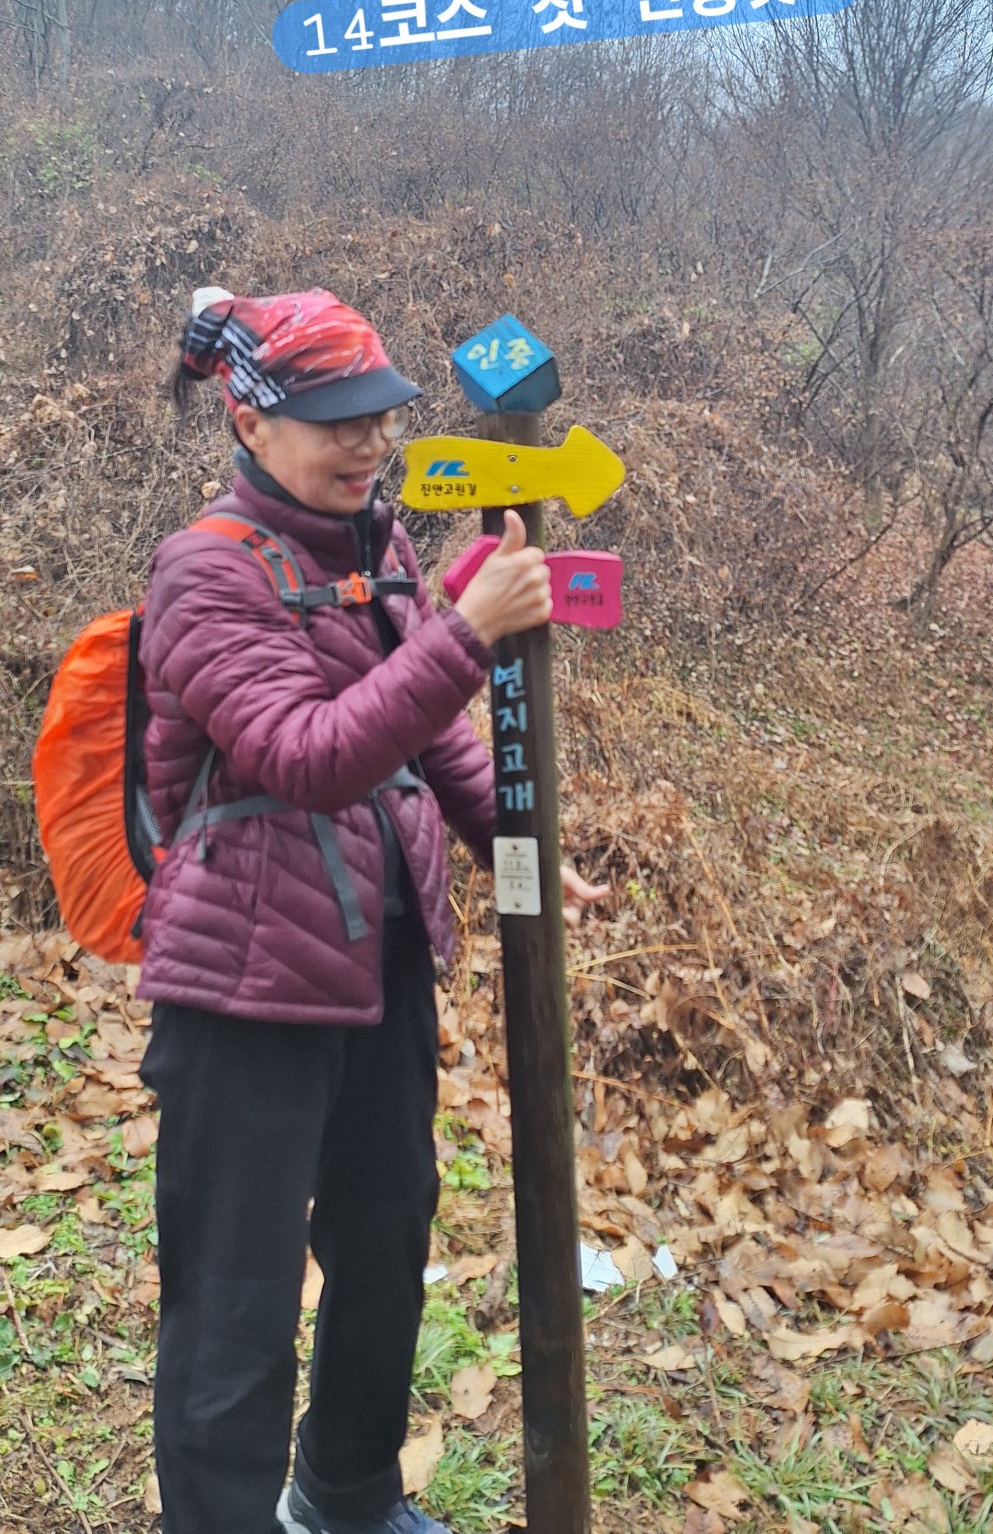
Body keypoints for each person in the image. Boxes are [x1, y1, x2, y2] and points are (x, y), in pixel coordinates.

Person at [135, 287, 606, 1534]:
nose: (368, 441)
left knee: (388, 1236)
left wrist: (516, 843)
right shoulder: (203, 569)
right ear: (249, 419)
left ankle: (343, 1494)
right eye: (335, 418)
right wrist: (465, 632)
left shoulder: (376, 544)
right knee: (235, 1299)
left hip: (379, 959)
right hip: (243, 984)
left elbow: (428, 736)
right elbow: (307, 753)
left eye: (379, 415)